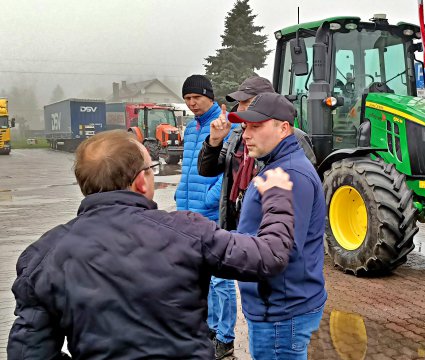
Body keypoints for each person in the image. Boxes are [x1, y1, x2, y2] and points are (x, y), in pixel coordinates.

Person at [7, 130, 296, 360]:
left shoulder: (43, 256)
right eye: (151, 168)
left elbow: (26, 353)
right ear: (141, 183)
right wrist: (278, 196)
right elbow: (270, 256)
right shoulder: (188, 231)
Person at [205, 92, 327, 359]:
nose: (246, 134)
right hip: (275, 304)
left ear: (283, 128)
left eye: (256, 126)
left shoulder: (289, 174)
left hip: (280, 312)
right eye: (246, 126)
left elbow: (278, 251)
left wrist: (215, 248)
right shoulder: (276, 165)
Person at [197, 75, 315, 230]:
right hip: (238, 228)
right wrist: (214, 142)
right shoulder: (236, 136)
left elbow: (303, 197)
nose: (239, 109)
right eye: (239, 103)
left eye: (246, 102)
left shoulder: (293, 137)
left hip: (268, 232)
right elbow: (207, 170)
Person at [175, 74, 238, 359]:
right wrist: (181, 195)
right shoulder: (190, 129)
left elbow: (227, 172)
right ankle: (209, 330)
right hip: (187, 213)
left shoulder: (227, 127)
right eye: (187, 99)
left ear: (209, 97)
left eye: (196, 98)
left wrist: (210, 199)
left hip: (211, 213)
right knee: (200, 275)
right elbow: (189, 168)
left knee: (221, 279)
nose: (192, 104)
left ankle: (225, 338)